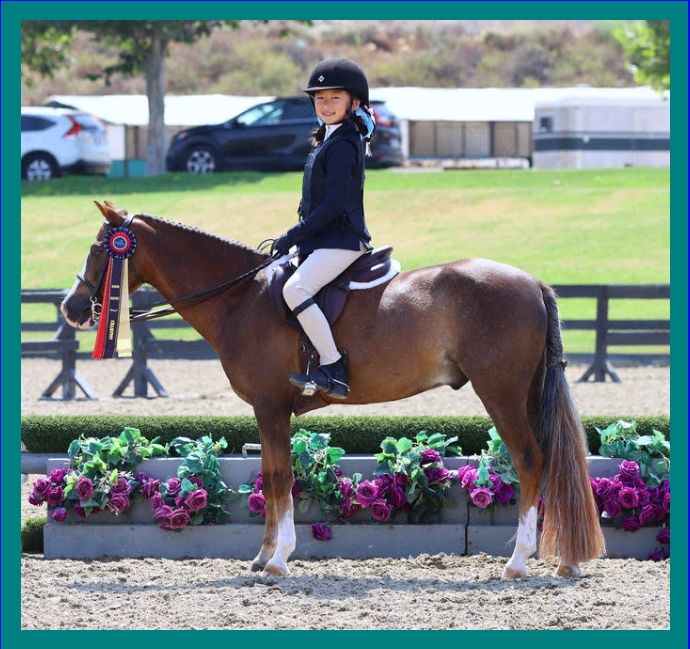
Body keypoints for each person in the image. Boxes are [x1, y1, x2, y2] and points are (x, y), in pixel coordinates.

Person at [272, 57, 376, 399]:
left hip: (342, 240)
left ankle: (333, 366)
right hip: (324, 239)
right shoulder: (329, 138)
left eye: (335, 98)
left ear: (354, 102)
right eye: (320, 98)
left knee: (295, 290)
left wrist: (292, 235)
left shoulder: (345, 144)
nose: (326, 105)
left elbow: (333, 206)